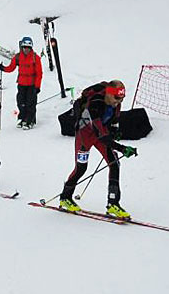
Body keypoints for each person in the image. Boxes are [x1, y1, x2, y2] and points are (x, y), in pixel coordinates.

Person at [58, 80, 138, 219]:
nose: (118, 102)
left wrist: (115, 131)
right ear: (108, 93)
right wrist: (122, 148)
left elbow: (114, 121)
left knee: (114, 164)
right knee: (81, 168)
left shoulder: (116, 102)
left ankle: (113, 204)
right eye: (116, 98)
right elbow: (101, 135)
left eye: (121, 99)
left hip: (101, 134)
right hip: (85, 136)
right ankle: (65, 197)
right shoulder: (95, 104)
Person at [0, 36, 43, 129]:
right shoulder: (18, 57)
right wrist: (3, 68)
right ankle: (22, 118)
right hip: (21, 83)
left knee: (30, 103)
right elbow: (11, 68)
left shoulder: (36, 57)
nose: (26, 49)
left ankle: (30, 120)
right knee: (20, 102)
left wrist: (37, 86)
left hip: (31, 84)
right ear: (22, 47)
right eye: (24, 47)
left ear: (31, 48)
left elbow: (39, 73)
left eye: (28, 47)